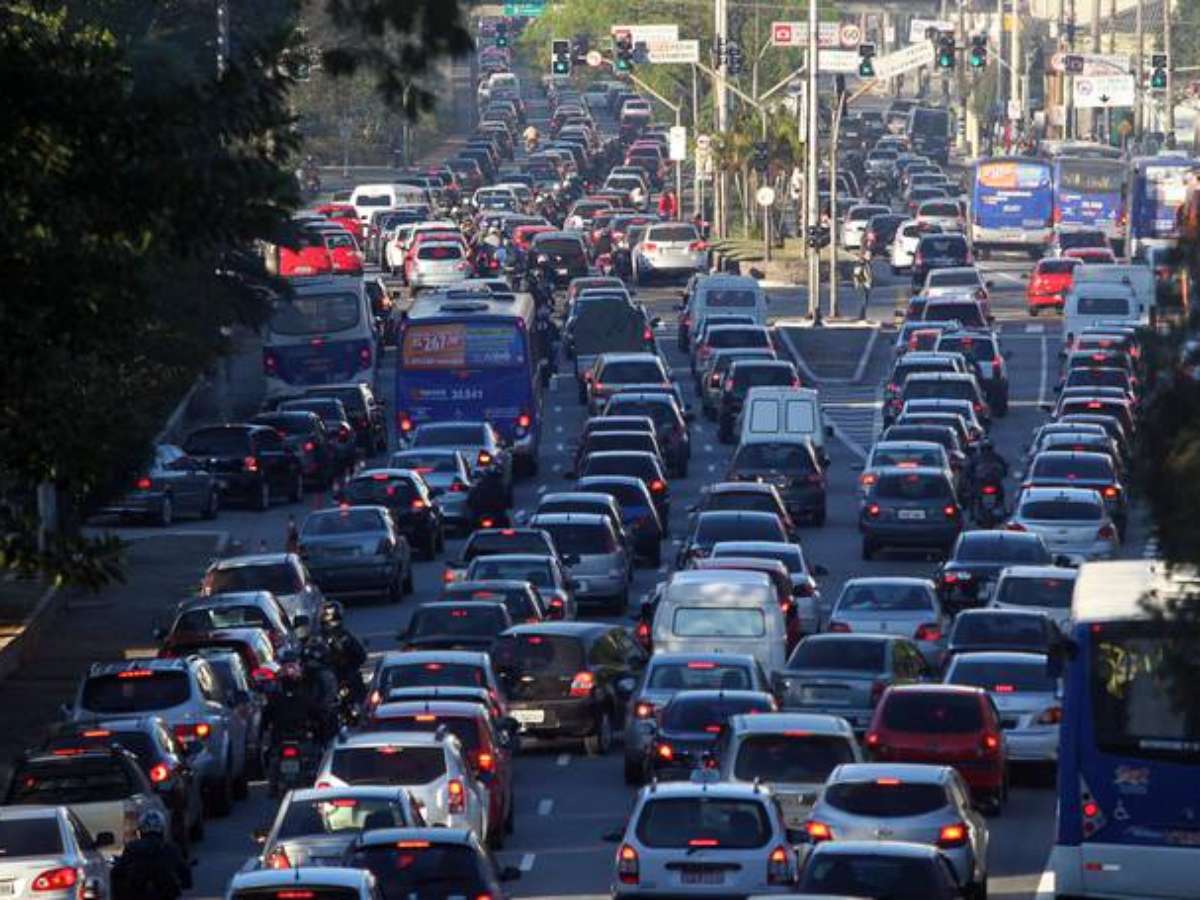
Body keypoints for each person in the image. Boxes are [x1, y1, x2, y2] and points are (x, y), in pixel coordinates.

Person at [111, 810, 191, 900]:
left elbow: (118, 870)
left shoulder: (132, 847)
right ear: (162, 829)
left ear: (141, 831)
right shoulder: (170, 848)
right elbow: (185, 874)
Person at [321, 601, 367, 705]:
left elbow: (361, 655)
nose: (332, 625)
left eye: (335, 621)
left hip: (344, 677)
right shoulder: (318, 637)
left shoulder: (345, 637)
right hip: (326, 676)